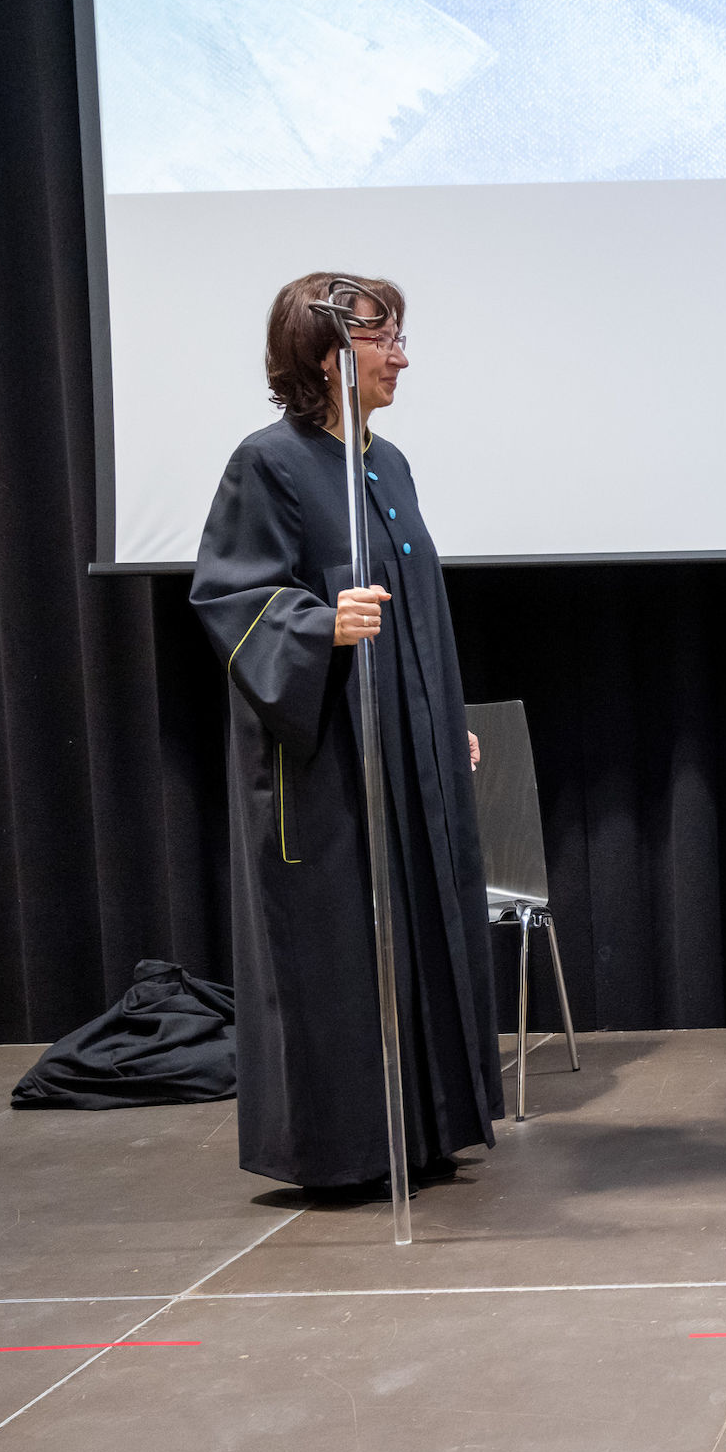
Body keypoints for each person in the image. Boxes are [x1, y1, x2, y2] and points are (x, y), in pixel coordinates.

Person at [189, 273, 503, 1190]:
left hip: (405, 747)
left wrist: (438, 719)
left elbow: (414, 611)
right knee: (342, 943)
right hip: (324, 754)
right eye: (383, 338)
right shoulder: (268, 463)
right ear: (331, 356)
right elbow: (232, 595)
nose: (402, 356)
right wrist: (319, 624)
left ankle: (425, 1129)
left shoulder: (386, 463)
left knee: (421, 922)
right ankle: (345, 1149)